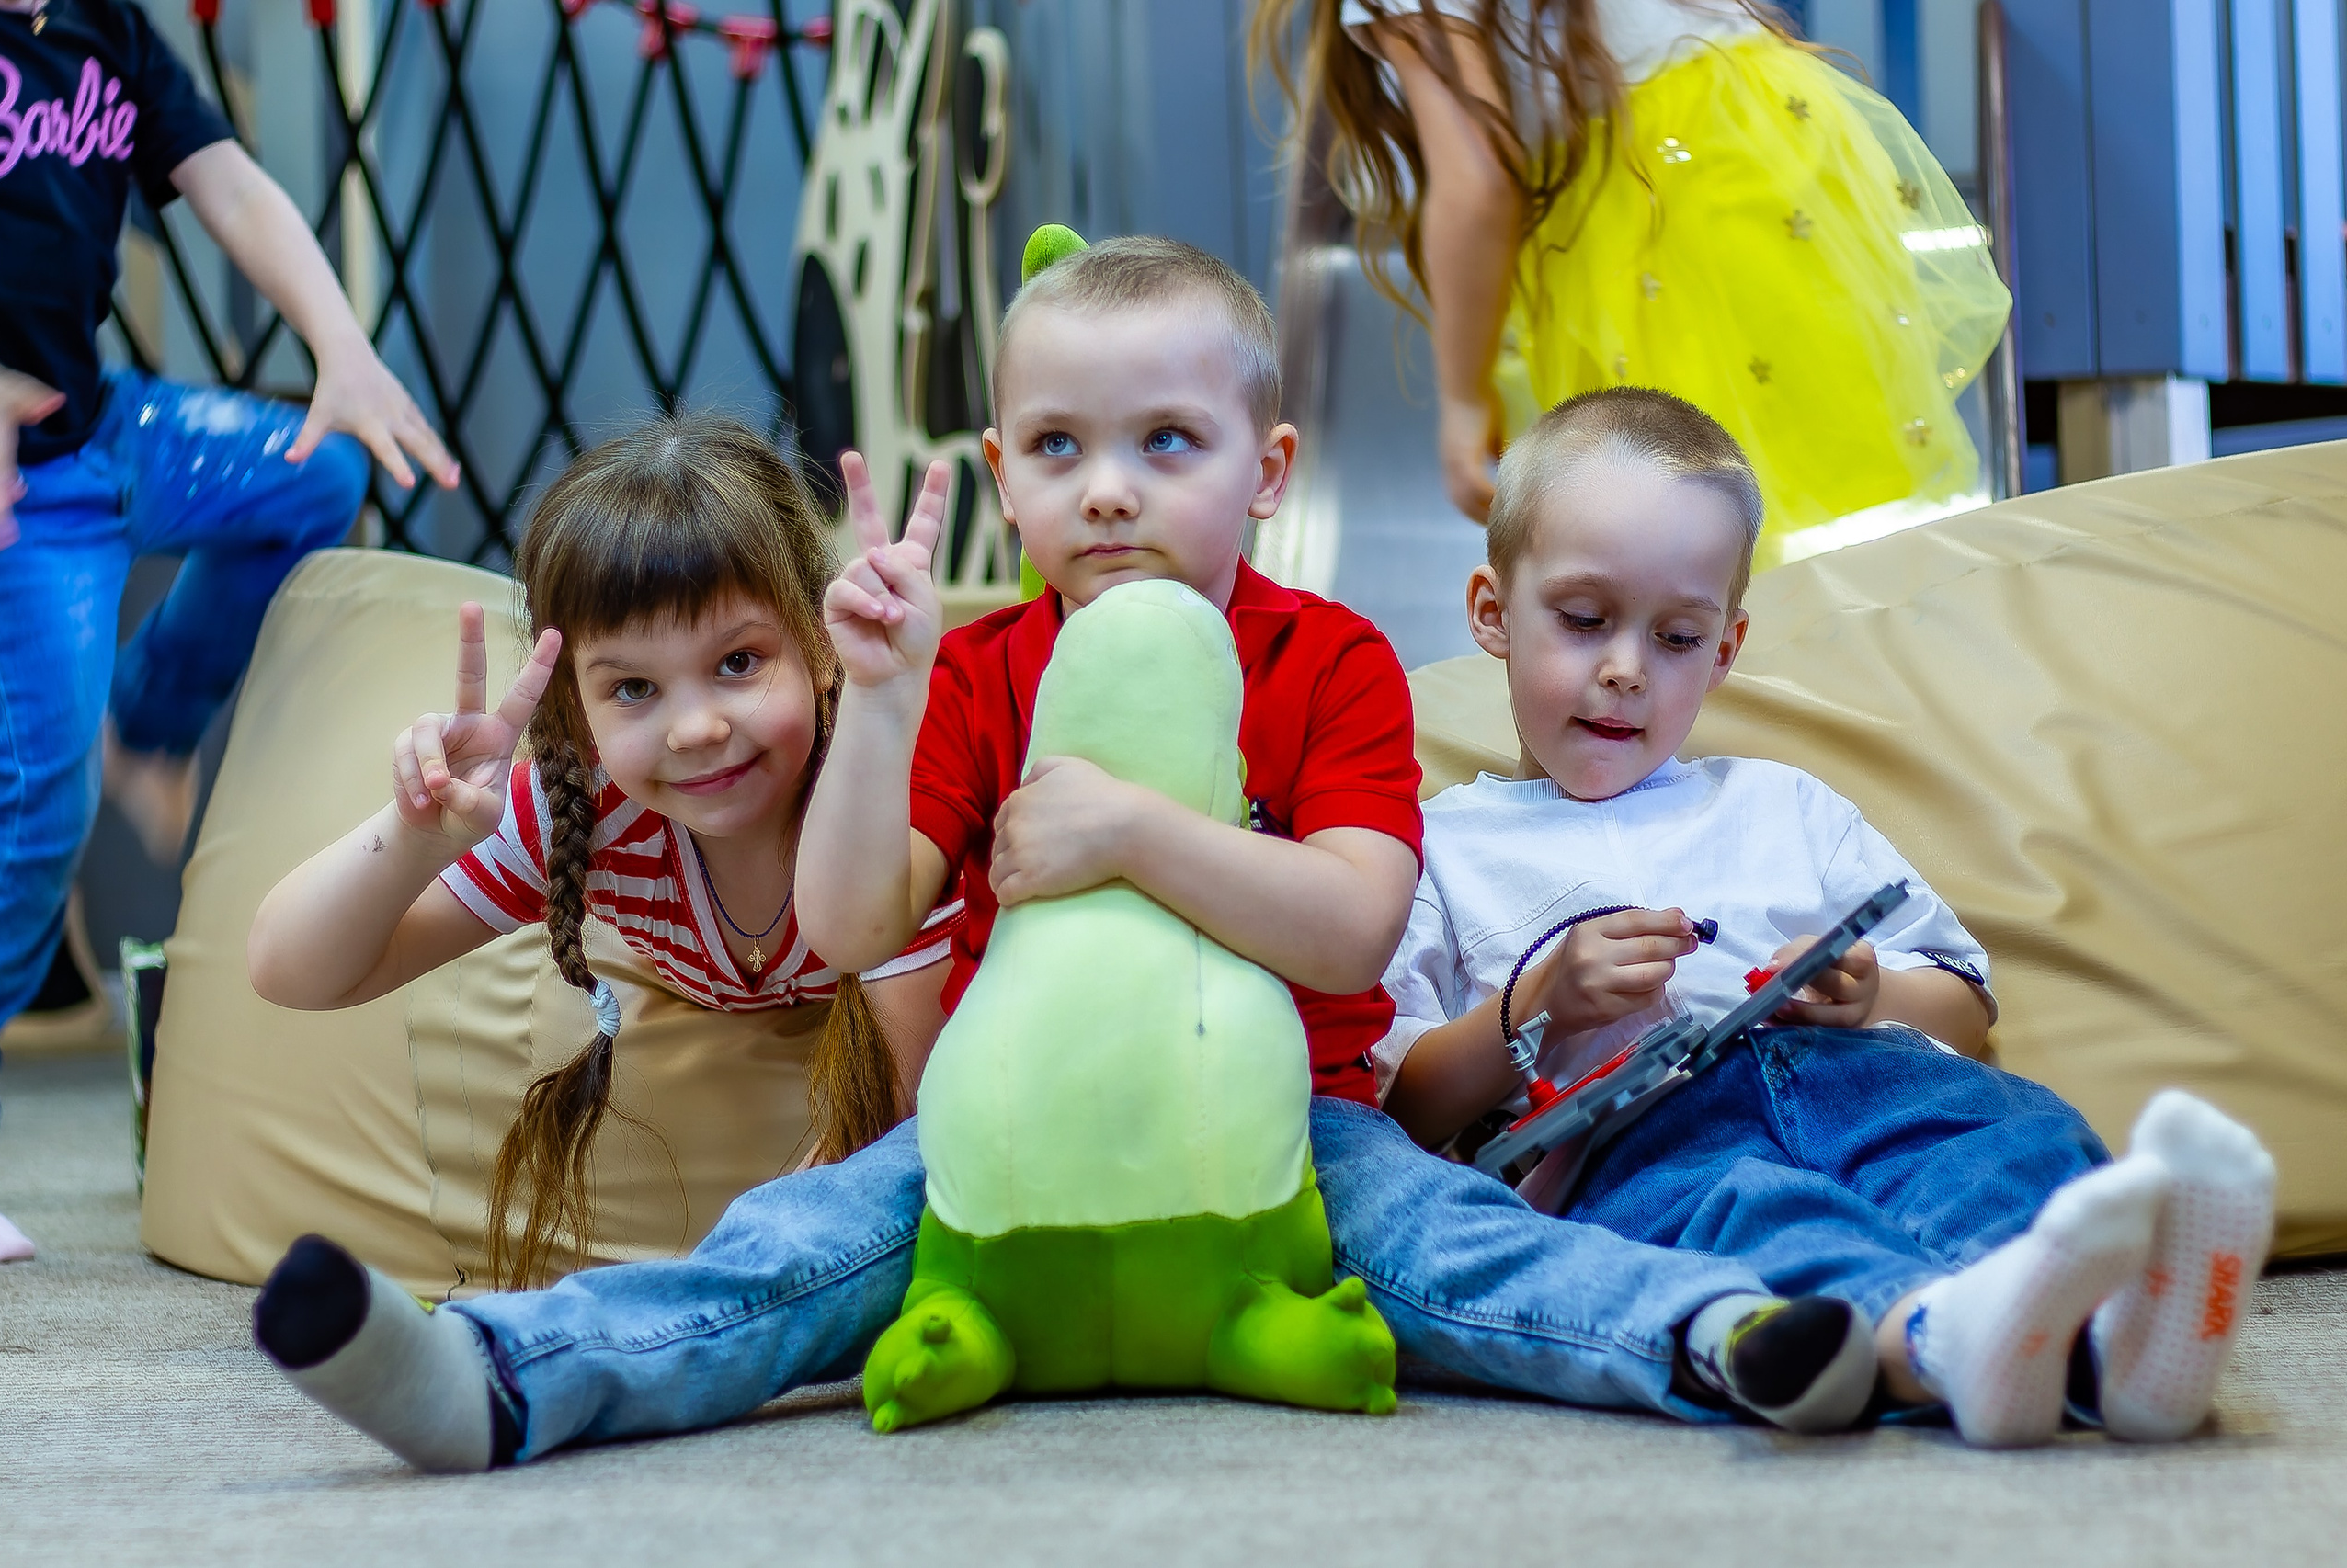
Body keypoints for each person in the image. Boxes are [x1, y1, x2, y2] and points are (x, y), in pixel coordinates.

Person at [246, 236, 1899, 1475]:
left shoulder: (1326, 660)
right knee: (794, 1244)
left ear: (1266, 476)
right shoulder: (972, 669)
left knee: (1469, 1257)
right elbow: (851, 920)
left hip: (1290, 1124)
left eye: (1166, 446)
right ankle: (498, 1377)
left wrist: (1132, 831)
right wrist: (882, 706)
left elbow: (1350, 928)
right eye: (1057, 451)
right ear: (1001, 483)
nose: (1107, 493)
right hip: (1008, 1132)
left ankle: (1723, 1339)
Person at [1377, 385, 2279, 1446]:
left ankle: (2111, 1340)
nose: (1625, 668)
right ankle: (1944, 1333)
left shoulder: (1781, 803)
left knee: (2007, 1132)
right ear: (1491, 611)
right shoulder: (1437, 846)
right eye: (1583, 621)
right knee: (1741, 1216)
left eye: (1676, 637)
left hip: (1863, 1075)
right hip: (1640, 1135)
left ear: (1725, 649)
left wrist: (1867, 993)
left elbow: (1962, 1001)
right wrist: (1534, 1004)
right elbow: (1401, 1102)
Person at [247, 414, 963, 1289]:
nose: (696, 729)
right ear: (578, 712)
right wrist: (411, 838)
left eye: (739, 662)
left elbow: (876, 1140)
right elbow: (292, 971)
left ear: (820, 645)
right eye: (633, 688)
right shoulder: (589, 804)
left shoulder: (891, 787)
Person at [0, 0, 457, 1263]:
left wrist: (342, 348)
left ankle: (154, 720)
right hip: (18, 496)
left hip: (100, 432)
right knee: (35, 809)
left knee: (308, 476)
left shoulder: (99, 27)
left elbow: (233, 188)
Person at [1249, 1, 2010, 563]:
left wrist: (1461, 398)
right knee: (1797, 537)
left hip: (1650, 207)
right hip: (1779, 150)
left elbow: (1476, 180)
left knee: (1674, 545)